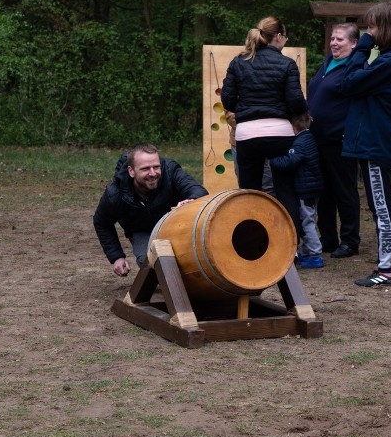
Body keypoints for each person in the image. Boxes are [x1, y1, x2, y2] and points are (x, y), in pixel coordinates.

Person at [338, 0, 391, 287]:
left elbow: (348, 82)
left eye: (371, 27)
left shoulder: (390, 61)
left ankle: (386, 270)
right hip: (376, 141)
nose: (368, 32)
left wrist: (362, 47)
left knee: (381, 207)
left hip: (375, 144)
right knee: (384, 206)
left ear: (384, 27)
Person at [220, 16, 308, 236]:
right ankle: (291, 245)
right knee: (285, 189)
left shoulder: (238, 62)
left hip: (247, 134)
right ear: (278, 37)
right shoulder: (287, 64)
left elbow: (228, 101)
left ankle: (250, 243)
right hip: (280, 133)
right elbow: (296, 102)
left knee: (249, 192)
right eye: (285, 37)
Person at [93, 144, 208, 275]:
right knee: (151, 264)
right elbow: (101, 222)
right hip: (143, 231)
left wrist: (191, 200)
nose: (153, 173)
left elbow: (198, 191)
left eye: (156, 167)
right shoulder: (115, 193)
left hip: (177, 225)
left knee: (192, 258)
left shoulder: (171, 171)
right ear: (131, 171)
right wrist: (116, 257)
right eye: (145, 169)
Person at [307, 22, 361, 259]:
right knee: (323, 191)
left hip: (340, 139)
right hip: (317, 139)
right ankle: (328, 238)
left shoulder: (355, 68)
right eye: (332, 39)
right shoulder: (327, 63)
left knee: (344, 191)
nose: (334, 43)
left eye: (340, 39)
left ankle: (350, 241)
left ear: (354, 43)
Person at [269, 112, 324, 269]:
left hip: (306, 189)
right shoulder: (308, 138)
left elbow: (290, 161)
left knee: (307, 222)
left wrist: (274, 161)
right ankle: (308, 250)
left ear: (294, 126)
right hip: (311, 187)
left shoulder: (300, 142)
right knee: (308, 219)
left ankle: (315, 255)